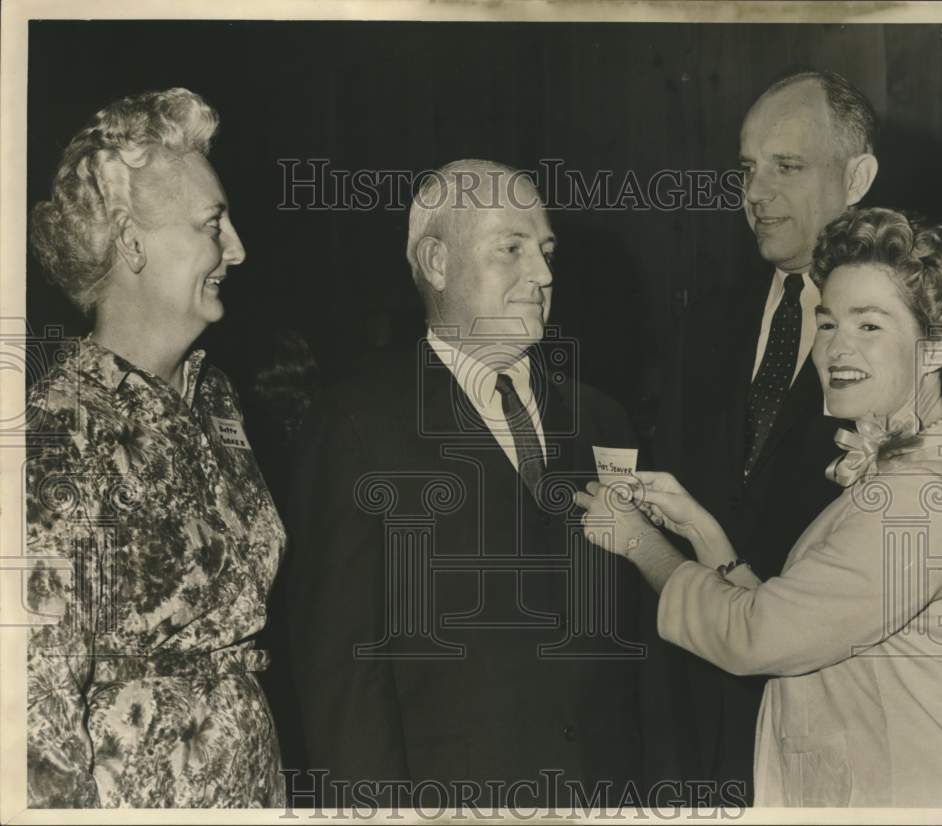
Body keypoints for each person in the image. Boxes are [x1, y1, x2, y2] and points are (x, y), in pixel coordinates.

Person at [578, 207, 942, 807]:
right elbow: (801, 618)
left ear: (938, 346)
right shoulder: (913, 475)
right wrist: (702, 530)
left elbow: (754, 637)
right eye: (827, 324)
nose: (837, 350)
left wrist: (641, 544)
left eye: (869, 326)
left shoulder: (921, 501)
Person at [283, 159, 643, 808]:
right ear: (436, 262)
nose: (543, 274)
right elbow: (340, 674)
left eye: (546, 251)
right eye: (512, 249)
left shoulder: (602, 418)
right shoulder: (356, 426)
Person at [25, 88, 285, 807]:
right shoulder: (56, 436)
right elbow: (32, 729)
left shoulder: (218, 403)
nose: (237, 249)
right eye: (213, 224)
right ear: (131, 241)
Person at [646, 69, 880, 798]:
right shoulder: (706, 320)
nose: (755, 193)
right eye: (748, 169)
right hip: (699, 708)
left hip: (835, 714)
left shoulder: (904, 343)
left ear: (858, 176)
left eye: (787, 166)